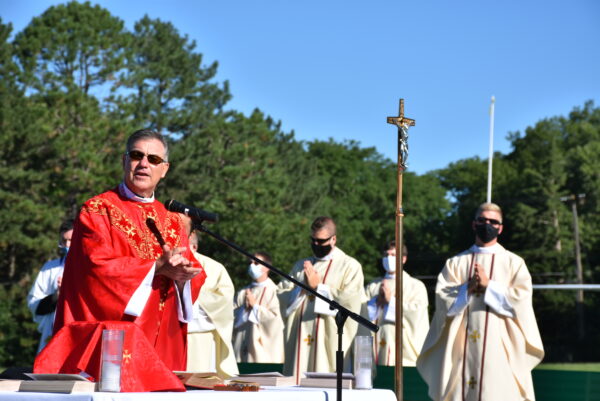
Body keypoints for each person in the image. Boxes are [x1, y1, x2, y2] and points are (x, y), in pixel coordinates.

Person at [50, 129, 206, 371]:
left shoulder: (173, 220)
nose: (144, 163)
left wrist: (184, 278)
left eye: (153, 159)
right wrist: (155, 268)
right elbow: (95, 268)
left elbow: (191, 273)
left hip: (163, 342)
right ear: (125, 161)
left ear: (164, 169)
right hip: (114, 345)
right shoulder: (98, 210)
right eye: (136, 155)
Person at [417, 202, 544, 401]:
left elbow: (522, 301)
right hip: (461, 348)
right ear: (474, 224)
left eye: (493, 222)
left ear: (500, 228)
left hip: (499, 350)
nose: (488, 225)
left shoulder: (514, 262)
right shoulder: (456, 263)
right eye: (482, 220)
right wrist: (466, 289)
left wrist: (489, 286)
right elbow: (442, 300)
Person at [278, 216, 365, 384]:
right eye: (313, 240)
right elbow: (282, 296)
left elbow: (350, 301)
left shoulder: (349, 266)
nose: (316, 245)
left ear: (333, 239)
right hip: (300, 341)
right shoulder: (300, 265)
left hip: (329, 340)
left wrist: (320, 287)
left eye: (321, 241)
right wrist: (301, 288)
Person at [363, 241, 429, 366]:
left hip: (404, 355)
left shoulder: (415, 286)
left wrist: (390, 302)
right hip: (373, 353)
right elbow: (360, 313)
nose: (389, 259)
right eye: (386, 255)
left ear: (403, 259)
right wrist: (376, 302)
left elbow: (417, 316)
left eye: (393, 255)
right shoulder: (373, 286)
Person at [186, 230, 238, 378]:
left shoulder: (214, 268)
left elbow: (224, 300)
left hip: (202, 337)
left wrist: (190, 297)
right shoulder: (165, 265)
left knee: (199, 383)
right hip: (170, 337)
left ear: (194, 247)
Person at [27, 219, 74, 354]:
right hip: (52, 329)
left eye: (71, 240)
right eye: (63, 241)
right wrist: (57, 296)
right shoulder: (50, 268)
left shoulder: (91, 266)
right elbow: (34, 303)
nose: (67, 245)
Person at [233, 252, 285, 363]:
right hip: (240, 349)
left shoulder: (274, 291)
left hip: (263, 353)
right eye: (250, 263)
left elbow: (277, 320)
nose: (251, 266)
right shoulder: (242, 292)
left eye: (256, 263)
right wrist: (244, 310)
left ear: (266, 267)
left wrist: (255, 307)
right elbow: (229, 317)